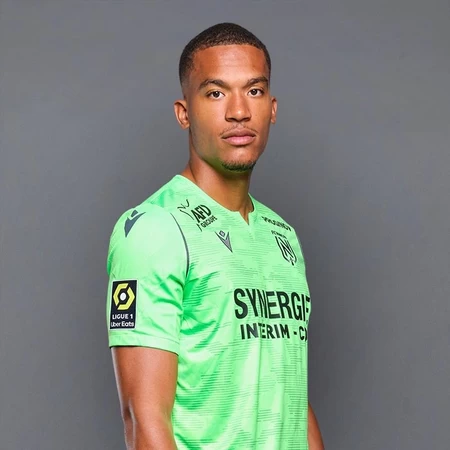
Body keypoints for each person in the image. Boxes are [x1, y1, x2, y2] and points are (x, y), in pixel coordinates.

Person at [106, 22, 324, 450]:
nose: (239, 111)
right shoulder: (153, 229)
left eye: (254, 91)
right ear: (184, 112)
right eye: (216, 93)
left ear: (272, 108)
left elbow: (292, 395)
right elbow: (143, 419)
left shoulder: (282, 236)